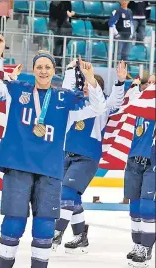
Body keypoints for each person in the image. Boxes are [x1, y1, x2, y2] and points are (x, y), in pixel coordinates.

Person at [0, 34, 107, 268]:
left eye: (48, 67)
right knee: (13, 223)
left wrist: (92, 82)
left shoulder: (65, 99)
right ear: (33, 69)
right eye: (39, 67)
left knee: (45, 226)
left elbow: (97, 107)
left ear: (54, 70)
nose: (44, 71)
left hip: (49, 170)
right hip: (19, 167)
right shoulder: (17, 92)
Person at [52, 60, 127, 253]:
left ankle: (55, 232)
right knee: (73, 196)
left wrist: (119, 82)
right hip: (65, 154)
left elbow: (116, 101)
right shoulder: (76, 103)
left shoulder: (103, 107)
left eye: (89, 84)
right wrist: (69, 70)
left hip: (87, 157)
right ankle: (80, 236)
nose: (86, 87)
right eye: (84, 84)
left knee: (67, 193)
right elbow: (66, 91)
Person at [124, 74, 155, 267]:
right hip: (134, 159)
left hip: (153, 162)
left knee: (147, 207)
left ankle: (146, 247)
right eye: (149, 83)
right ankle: (137, 245)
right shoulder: (139, 106)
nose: (151, 86)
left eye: (155, 83)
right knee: (134, 207)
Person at [48, 1, 75, 67]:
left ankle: (58, 64)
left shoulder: (68, 3)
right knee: (58, 47)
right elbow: (54, 14)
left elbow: (69, 13)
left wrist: (71, 13)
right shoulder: (54, 3)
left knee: (63, 48)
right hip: (57, 27)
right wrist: (65, 13)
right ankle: (55, 64)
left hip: (66, 27)